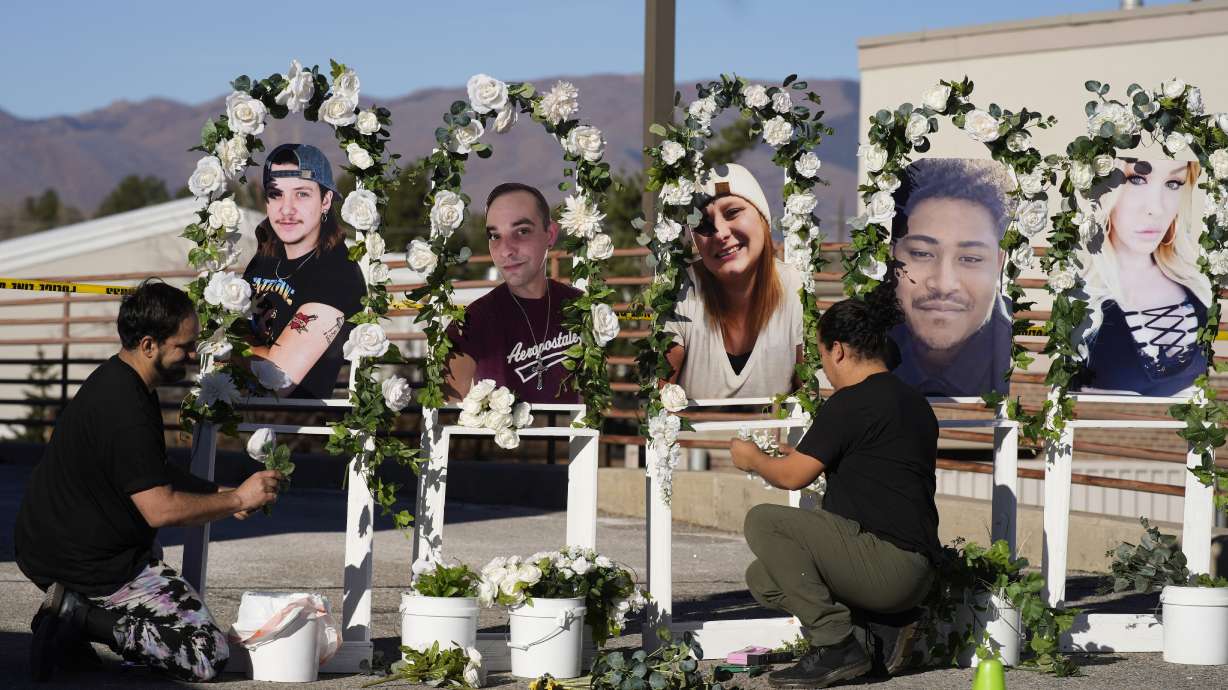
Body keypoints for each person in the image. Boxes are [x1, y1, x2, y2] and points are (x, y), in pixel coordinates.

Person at [14, 281, 284, 682]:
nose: (193, 356)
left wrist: (219, 493)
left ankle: (73, 623)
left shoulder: (119, 381)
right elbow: (160, 507)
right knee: (205, 654)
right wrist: (237, 499)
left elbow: (146, 470)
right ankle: (77, 616)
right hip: (92, 564)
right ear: (148, 345)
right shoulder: (126, 408)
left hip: (49, 548)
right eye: (184, 346)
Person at [730, 292, 940, 688]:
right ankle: (879, 631)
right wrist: (810, 454)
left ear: (839, 350)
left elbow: (792, 477)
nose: (823, 366)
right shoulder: (912, 401)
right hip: (915, 571)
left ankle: (835, 645)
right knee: (765, 576)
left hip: (885, 564)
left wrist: (752, 458)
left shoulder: (850, 403)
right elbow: (878, 468)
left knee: (764, 522)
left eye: (822, 355)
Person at [664, 163, 805, 399]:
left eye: (732, 213)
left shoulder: (794, 285)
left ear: (762, 217)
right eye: (703, 225)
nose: (720, 233)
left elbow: (807, 397)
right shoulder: (680, 290)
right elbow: (658, 406)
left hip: (775, 436)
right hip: (692, 437)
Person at [1074, 159, 1210, 396]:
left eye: (1173, 183)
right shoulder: (1078, 297)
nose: (1156, 208)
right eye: (1136, 179)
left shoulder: (1197, 286)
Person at [243, 143, 367, 399]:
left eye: (301, 194)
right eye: (275, 194)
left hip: (298, 428)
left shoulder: (337, 273)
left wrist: (227, 349)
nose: (286, 209)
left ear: (325, 200)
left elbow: (278, 379)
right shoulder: (264, 260)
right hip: (239, 419)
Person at [444, 182, 582, 404]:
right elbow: (445, 415)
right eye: (494, 236)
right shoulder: (472, 321)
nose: (506, 250)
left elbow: (597, 408)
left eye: (522, 231)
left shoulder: (579, 307)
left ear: (551, 234)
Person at [887, 158, 1014, 397]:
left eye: (970, 259)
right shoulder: (868, 348)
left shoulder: (1020, 356)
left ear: (999, 263)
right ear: (892, 254)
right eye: (921, 253)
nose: (943, 284)